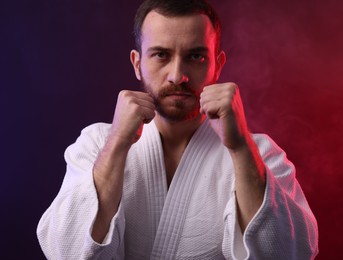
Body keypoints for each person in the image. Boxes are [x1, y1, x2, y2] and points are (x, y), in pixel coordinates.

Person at [37, 0, 319, 259]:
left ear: (218, 65)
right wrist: (118, 143)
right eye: (161, 55)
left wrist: (241, 148)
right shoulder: (97, 143)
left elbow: (291, 253)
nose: (177, 76)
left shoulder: (259, 152)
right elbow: (66, 251)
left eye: (195, 57)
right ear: (137, 64)